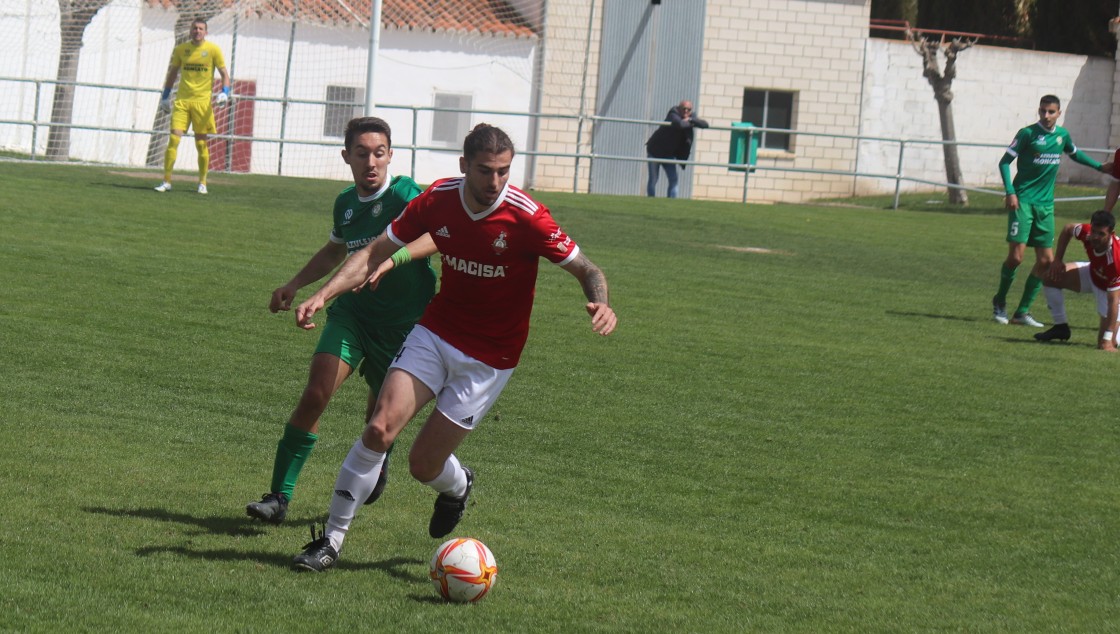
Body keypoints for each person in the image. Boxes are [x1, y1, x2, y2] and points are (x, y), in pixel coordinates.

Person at [289, 123, 617, 572]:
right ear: (465, 167)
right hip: (436, 332)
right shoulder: (439, 199)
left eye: (504, 171)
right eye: (485, 171)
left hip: (490, 357)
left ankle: (458, 486)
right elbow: (372, 251)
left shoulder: (526, 215)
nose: (495, 182)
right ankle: (331, 540)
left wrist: (600, 300)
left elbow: (586, 268)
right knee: (379, 428)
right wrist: (324, 294)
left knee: (423, 465)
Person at [245, 117, 436, 524]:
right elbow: (335, 251)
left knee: (377, 421)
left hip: (405, 327)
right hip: (352, 315)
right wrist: (295, 283)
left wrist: (396, 257)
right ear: (346, 156)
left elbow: (438, 234)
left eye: (379, 153)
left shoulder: (407, 195)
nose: (371, 162)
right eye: (362, 153)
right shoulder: (346, 203)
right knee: (316, 393)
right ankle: (278, 496)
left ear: (391, 156)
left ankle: (379, 456)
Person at [992, 94, 1110, 327]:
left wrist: (1099, 166)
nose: (1045, 115)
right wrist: (1010, 191)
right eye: (1042, 111)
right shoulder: (1026, 134)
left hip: (1045, 206)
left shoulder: (1061, 135)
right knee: (1016, 258)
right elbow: (1004, 162)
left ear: (1059, 113)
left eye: (1050, 111)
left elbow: (1074, 153)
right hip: (1023, 200)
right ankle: (1000, 300)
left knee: (1046, 262)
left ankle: (1021, 312)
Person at [154, 18, 231, 195]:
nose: (197, 31)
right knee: (173, 139)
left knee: (201, 144)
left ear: (206, 32)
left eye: (201, 28)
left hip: (202, 104)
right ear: (190, 31)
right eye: (195, 28)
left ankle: (203, 183)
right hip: (182, 102)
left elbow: (224, 73)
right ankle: (166, 181)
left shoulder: (213, 50)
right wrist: (165, 96)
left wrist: (225, 91)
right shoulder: (181, 50)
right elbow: (173, 73)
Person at [1033, 210, 1120, 351]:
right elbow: (1068, 229)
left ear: (1111, 233)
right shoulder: (1086, 233)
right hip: (1093, 274)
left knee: (1105, 344)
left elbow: (1114, 301)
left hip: (1111, 290)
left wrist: (1107, 339)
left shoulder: (1116, 260)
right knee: (1050, 276)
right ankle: (1061, 327)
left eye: (1101, 234)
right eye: (1094, 231)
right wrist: (1058, 260)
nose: (1095, 237)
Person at [645, 100, 709, 198]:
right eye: (684, 109)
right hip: (655, 151)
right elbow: (680, 124)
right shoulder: (673, 113)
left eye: (689, 109)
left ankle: (672, 204)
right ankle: (650, 201)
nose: (686, 111)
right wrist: (691, 122)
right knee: (654, 179)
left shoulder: (691, 116)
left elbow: (705, 124)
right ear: (679, 108)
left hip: (669, 154)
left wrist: (691, 120)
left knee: (673, 179)